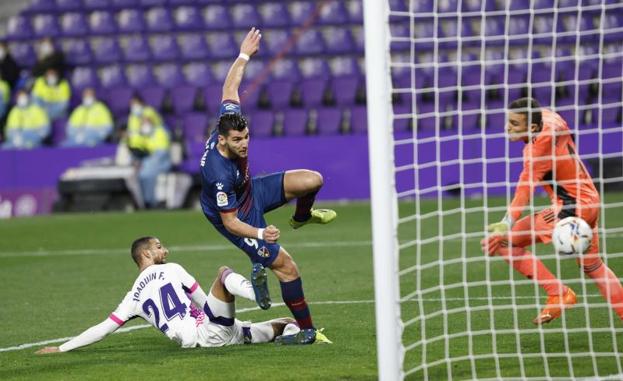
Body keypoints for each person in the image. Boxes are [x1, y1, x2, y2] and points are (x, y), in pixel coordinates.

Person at [199, 28, 336, 345]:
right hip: (235, 215)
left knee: (312, 180)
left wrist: (244, 54)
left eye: (246, 137)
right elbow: (231, 221)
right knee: (287, 268)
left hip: (252, 191)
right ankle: (307, 331)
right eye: (237, 141)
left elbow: (230, 86)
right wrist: (261, 233)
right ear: (222, 140)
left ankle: (302, 217)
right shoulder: (216, 174)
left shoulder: (229, 119)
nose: (244, 144)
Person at [35, 236, 310, 355]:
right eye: (158, 247)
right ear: (145, 254)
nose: (164, 251)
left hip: (209, 336)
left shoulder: (133, 297)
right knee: (224, 273)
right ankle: (255, 292)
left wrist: (62, 348)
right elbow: (204, 302)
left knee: (286, 323)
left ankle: (281, 335)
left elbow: (103, 329)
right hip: (209, 331)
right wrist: (225, 318)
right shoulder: (174, 269)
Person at [482, 97, 623, 325]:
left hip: (570, 208)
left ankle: (558, 293)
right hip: (591, 200)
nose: (508, 127)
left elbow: (524, 189)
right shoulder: (551, 116)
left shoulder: (534, 153)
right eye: (508, 121)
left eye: (515, 124)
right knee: (593, 266)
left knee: (505, 242)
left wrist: (505, 223)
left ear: (533, 127)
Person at [126, 113, 171, 208]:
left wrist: (146, 161)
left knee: (146, 174)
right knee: (138, 174)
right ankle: (142, 202)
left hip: (161, 161)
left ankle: (150, 202)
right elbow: (136, 149)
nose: (144, 125)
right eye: (143, 122)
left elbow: (161, 153)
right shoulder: (141, 135)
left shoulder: (160, 132)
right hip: (146, 162)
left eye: (147, 122)